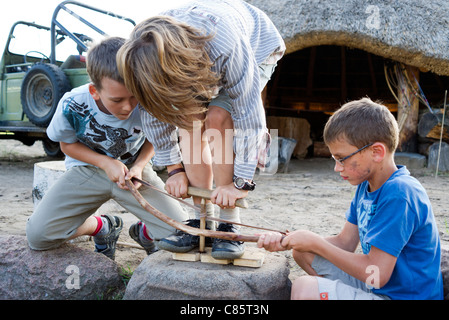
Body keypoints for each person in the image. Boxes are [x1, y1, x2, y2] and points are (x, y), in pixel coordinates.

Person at [117, 0, 285, 260]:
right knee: (189, 120)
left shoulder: (225, 47)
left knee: (217, 118)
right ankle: (199, 223)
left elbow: (248, 117)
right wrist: (174, 170)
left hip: (255, 46)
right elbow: (153, 111)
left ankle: (230, 222)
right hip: (191, 58)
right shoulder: (141, 55)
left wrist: (239, 183)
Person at [257, 98, 444, 300]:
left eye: (342, 159)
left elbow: (377, 274)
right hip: (378, 285)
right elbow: (345, 242)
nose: (337, 168)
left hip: (401, 295)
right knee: (303, 253)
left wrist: (316, 243)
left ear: (377, 152)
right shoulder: (367, 185)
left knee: (305, 289)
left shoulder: (400, 193)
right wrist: (293, 241)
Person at [26, 37, 188, 260]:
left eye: (134, 96)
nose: (128, 107)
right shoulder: (72, 103)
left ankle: (145, 233)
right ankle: (102, 227)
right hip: (88, 169)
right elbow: (67, 145)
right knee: (39, 235)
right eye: (117, 99)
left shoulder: (149, 99)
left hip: (133, 172)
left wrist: (140, 166)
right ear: (94, 91)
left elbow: (155, 137)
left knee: (182, 234)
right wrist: (105, 162)